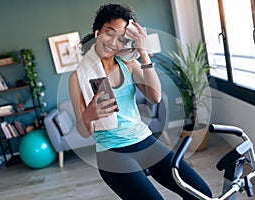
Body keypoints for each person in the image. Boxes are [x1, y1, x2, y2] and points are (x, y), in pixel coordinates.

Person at [69, 3, 212, 200]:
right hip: (112, 153)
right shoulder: (78, 78)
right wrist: (89, 115)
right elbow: (84, 132)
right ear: (97, 32)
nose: (113, 42)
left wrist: (143, 53)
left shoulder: (129, 63)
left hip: (145, 142)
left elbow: (155, 97)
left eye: (121, 38)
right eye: (109, 33)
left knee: (201, 194)